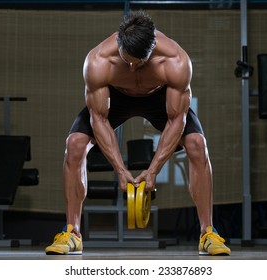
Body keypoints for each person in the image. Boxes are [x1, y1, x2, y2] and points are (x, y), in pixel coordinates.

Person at [45, 10, 231, 256]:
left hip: (159, 97)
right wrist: (121, 171)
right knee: (75, 144)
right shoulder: (99, 61)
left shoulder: (176, 60)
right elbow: (99, 119)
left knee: (197, 143)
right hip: (116, 96)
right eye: (127, 60)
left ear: (152, 50)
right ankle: (72, 232)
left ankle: (208, 232)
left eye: (139, 63)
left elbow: (176, 119)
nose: (132, 69)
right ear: (119, 43)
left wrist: (153, 170)